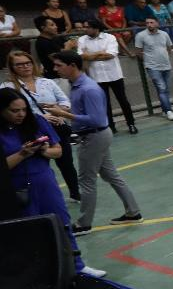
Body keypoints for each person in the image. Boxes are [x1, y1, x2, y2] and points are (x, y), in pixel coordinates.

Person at [0, 88, 105, 277]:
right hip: (17, 188)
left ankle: (77, 265)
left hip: (45, 181)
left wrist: (44, 151)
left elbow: (58, 151)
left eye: (23, 109)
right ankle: (40, 273)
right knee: (29, 231)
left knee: (62, 222)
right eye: (14, 111)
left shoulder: (37, 121)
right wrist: (22, 154)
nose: (21, 114)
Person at [45, 51, 143, 234]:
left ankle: (84, 223)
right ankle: (133, 211)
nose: (55, 69)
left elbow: (96, 119)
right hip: (95, 136)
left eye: (59, 65)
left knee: (87, 181)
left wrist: (63, 114)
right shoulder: (76, 86)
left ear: (72, 65)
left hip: (93, 137)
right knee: (111, 175)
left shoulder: (88, 89)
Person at [2, 50, 80, 199]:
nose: (25, 67)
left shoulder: (46, 82)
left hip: (56, 126)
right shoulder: (7, 87)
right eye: (19, 65)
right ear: (12, 67)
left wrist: (57, 111)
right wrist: (42, 117)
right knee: (36, 161)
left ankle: (75, 191)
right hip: (29, 130)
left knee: (66, 161)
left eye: (28, 63)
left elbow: (65, 102)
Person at [77, 19, 137, 134]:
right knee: (104, 104)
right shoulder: (82, 40)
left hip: (114, 75)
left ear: (96, 28)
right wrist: (100, 53)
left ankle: (131, 124)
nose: (85, 29)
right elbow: (81, 57)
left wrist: (89, 55)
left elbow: (110, 55)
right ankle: (110, 126)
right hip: (96, 77)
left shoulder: (110, 37)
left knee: (123, 100)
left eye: (87, 27)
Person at [134, 16, 173, 120]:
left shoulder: (164, 34)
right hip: (152, 67)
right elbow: (138, 52)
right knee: (162, 88)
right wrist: (149, 61)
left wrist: (164, 58)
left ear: (157, 23)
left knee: (165, 89)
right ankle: (168, 111)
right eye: (147, 23)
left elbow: (169, 48)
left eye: (152, 22)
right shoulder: (140, 35)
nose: (149, 24)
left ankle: (164, 110)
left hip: (166, 65)